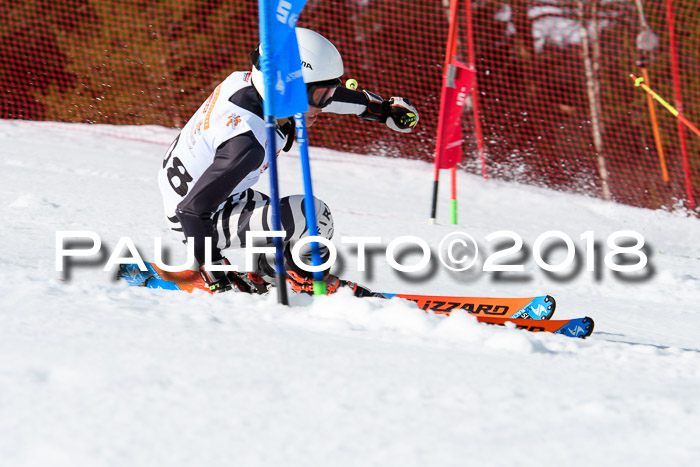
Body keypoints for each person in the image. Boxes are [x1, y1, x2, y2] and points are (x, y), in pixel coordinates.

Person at [157, 27, 419, 294]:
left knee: (290, 220)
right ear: (284, 91)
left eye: (329, 92)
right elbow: (190, 210)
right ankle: (301, 281)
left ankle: (274, 272)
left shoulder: (249, 84)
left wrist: (380, 109)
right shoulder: (248, 143)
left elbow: (311, 89)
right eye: (321, 96)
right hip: (198, 221)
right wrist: (214, 271)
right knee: (312, 215)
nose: (325, 104)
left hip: (216, 199)